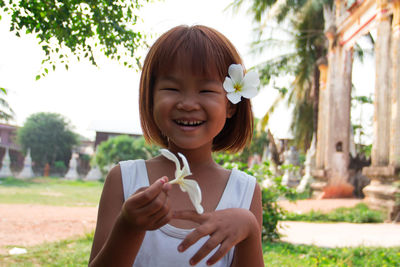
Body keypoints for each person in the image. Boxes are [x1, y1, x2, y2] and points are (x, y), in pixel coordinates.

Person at [89, 25, 264, 267]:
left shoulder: (244, 190)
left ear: (231, 105)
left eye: (206, 90)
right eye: (172, 88)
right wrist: (128, 226)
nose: (188, 104)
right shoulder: (124, 179)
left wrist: (249, 230)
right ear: (150, 99)